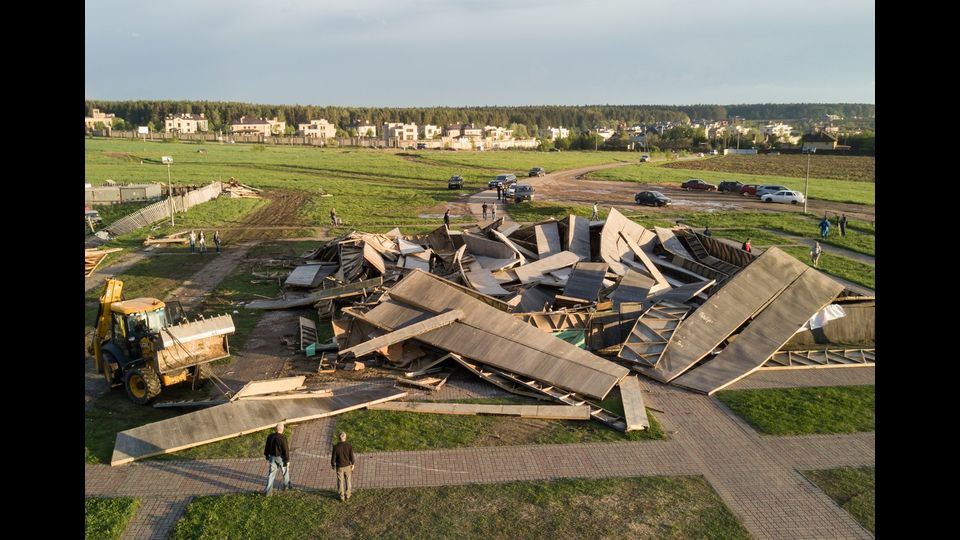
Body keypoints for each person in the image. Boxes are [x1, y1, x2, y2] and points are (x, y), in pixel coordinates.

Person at [264, 423, 291, 496]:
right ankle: (286, 487)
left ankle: (268, 493)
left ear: (276, 429)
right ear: (282, 429)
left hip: (272, 458)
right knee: (285, 472)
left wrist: (266, 455)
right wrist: (287, 461)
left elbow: (267, 447)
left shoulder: (270, 436)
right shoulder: (283, 438)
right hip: (281, 458)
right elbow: (286, 450)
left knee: (271, 474)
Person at [331, 431, 355, 501]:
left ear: (339, 438)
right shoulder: (349, 446)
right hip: (347, 466)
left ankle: (341, 496)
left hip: (339, 467)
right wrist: (353, 464)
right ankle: (348, 494)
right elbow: (352, 457)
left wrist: (333, 465)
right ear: (345, 437)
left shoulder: (335, 447)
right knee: (348, 480)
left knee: (340, 481)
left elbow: (333, 458)